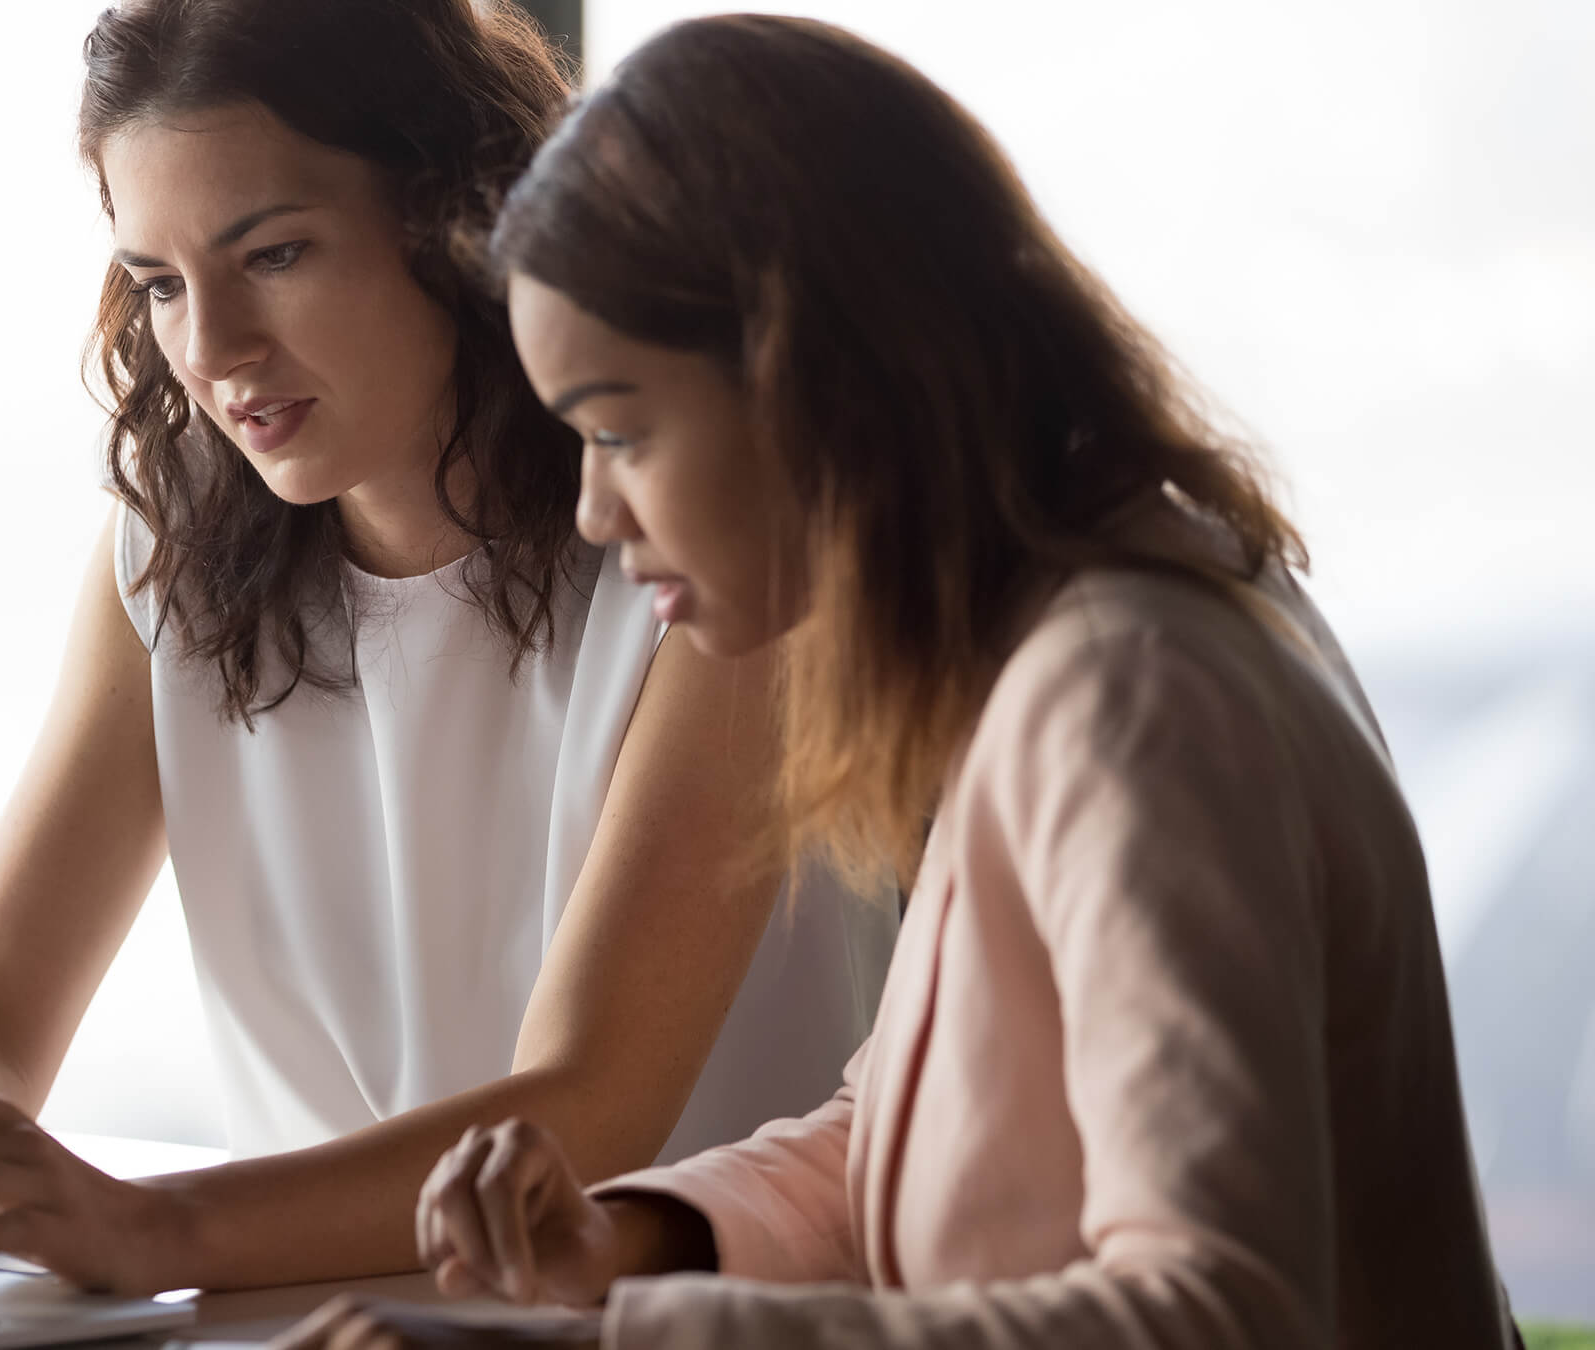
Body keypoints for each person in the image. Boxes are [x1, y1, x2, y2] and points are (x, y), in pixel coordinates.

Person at [283, 14, 1518, 1348]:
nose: (593, 508)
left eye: (622, 429)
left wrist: (614, 1344)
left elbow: (1223, 1310)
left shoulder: (1130, 699)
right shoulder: (1048, 643)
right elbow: (925, 1109)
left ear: (815, 381)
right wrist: (629, 1239)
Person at [0, 0, 892, 1296]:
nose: (212, 350)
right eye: (160, 283)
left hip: (654, 1322)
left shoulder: (697, 539)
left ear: (458, 218)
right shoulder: (173, 540)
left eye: (275, 254)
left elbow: (580, 1115)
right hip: (298, 1325)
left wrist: (140, 1224)